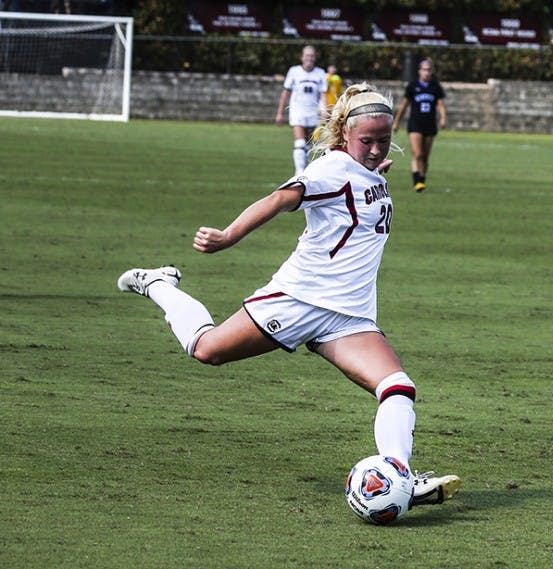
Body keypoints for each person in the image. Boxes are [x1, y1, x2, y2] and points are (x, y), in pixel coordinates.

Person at [117, 83, 461, 507]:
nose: (375, 149)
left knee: (397, 387)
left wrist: (373, 169)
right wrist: (227, 236)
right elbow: (280, 198)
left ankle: (398, 475)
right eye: (367, 141)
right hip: (299, 300)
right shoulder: (331, 170)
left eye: (383, 140)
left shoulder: (364, 169)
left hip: (348, 316)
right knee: (207, 349)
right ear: (345, 133)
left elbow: (359, 193)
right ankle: (158, 284)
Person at [393, 58, 447, 192]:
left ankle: (422, 179)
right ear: (419, 71)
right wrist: (397, 122)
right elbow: (404, 106)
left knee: (425, 156)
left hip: (430, 124)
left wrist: (443, 118)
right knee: (417, 154)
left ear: (431, 72)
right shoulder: (412, 86)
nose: (426, 73)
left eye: (429, 70)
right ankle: (416, 181)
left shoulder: (435, 86)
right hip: (415, 124)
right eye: (424, 70)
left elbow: (441, 105)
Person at [276, 46, 327, 176]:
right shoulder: (294, 71)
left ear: (314, 58)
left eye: (312, 56)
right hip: (297, 111)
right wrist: (279, 113)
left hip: (313, 112)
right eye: (307, 55)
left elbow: (323, 94)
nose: (309, 58)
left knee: (308, 145)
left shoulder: (320, 73)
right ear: (302, 57)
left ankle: (305, 172)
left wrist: (324, 111)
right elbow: (285, 93)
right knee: (300, 143)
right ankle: (299, 173)